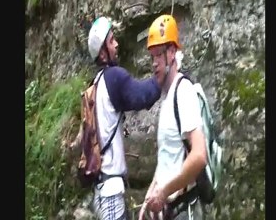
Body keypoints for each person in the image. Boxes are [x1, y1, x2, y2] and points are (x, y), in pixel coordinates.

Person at [86, 16, 162, 220]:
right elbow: (141, 96)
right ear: (103, 53)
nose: (117, 44)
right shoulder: (114, 77)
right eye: (112, 41)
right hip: (111, 191)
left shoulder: (96, 83)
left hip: (102, 190)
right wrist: (163, 73)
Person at [138, 14, 207, 220]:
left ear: (172, 52)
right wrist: (151, 193)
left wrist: (164, 191)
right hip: (171, 211)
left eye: (159, 54)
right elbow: (167, 158)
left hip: (185, 209)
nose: (154, 63)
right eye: (152, 57)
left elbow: (199, 156)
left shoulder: (184, 91)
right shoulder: (167, 99)